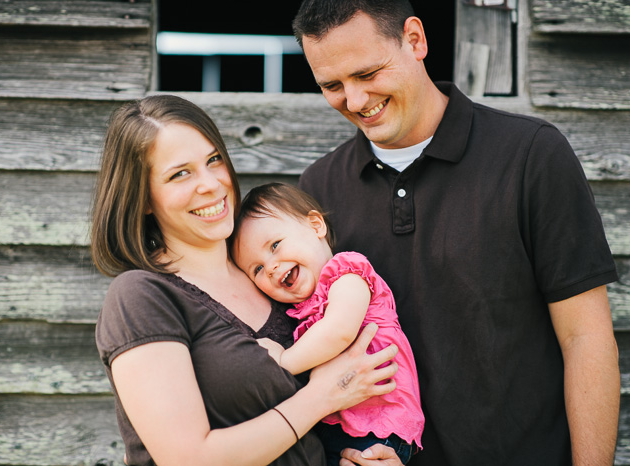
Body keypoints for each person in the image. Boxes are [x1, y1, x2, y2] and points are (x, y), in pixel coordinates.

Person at [291, 1, 620, 465]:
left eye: (368, 73)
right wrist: (340, 451)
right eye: (332, 85)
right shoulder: (317, 189)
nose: (356, 100)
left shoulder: (530, 155)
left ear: (415, 40)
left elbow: (585, 338)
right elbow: (313, 349)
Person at [90, 94, 402, 466]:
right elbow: (188, 459)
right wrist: (325, 395)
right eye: (180, 173)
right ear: (142, 197)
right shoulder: (141, 297)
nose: (211, 184)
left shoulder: (272, 278)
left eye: (213, 160)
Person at [231, 182, 424, 465]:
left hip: (379, 424)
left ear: (315, 225)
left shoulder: (347, 273)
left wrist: (283, 362)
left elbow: (340, 333)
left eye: (274, 245)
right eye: (257, 268)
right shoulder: (300, 310)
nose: (270, 266)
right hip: (341, 425)